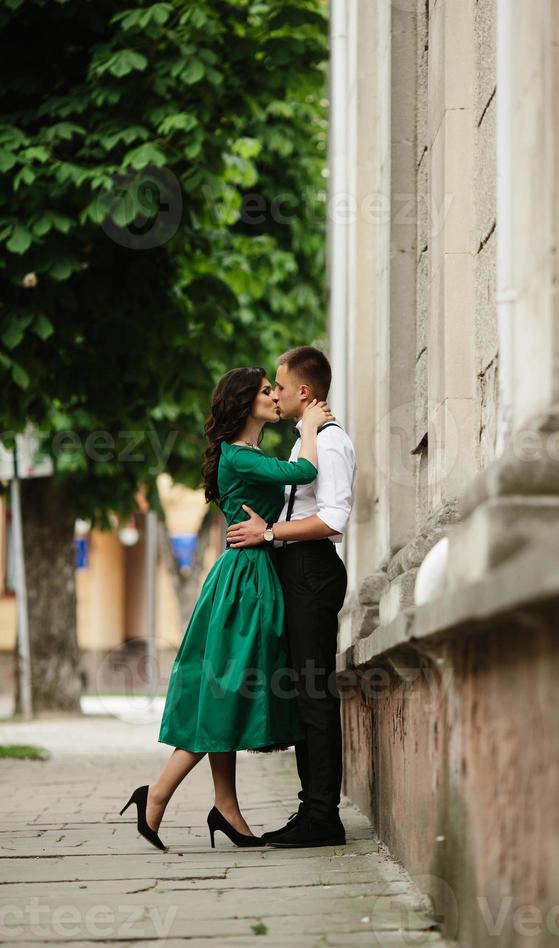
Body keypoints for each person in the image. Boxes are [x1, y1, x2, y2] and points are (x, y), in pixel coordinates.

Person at [119, 367, 333, 852]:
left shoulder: (248, 455)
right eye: (265, 391)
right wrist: (310, 430)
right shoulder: (238, 457)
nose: (274, 396)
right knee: (227, 692)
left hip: (249, 575)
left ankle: (227, 810)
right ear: (244, 403)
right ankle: (157, 793)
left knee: (226, 694)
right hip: (245, 583)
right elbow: (303, 473)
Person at [226, 347, 357, 848]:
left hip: (312, 572)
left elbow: (332, 520)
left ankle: (324, 817)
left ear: (304, 391)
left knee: (314, 695)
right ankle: (312, 809)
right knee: (304, 695)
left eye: (278, 386)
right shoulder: (307, 442)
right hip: (295, 572)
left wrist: (271, 533)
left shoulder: (332, 443)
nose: (274, 394)